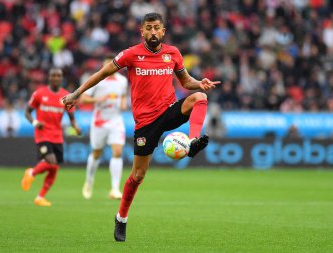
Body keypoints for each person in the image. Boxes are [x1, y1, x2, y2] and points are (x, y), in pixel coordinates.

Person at [62, 13, 220, 241]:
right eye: (149, 28)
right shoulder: (131, 54)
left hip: (168, 110)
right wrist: (77, 93)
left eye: (157, 28)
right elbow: (102, 73)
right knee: (138, 175)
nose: (153, 32)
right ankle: (121, 219)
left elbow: (186, 82)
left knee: (200, 98)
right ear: (142, 31)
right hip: (146, 123)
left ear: (163, 31)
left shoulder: (172, 53)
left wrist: (199, 82)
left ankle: (193, 141)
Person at [21, 68, 81, 207]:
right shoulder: (39, 94)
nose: (56, 78)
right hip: (42, 134)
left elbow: (71, 117)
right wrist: (35, 123)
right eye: (53, 75)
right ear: (49, 77)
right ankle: (32, 172)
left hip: (57, 136)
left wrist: (75, 127)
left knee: (54, 167)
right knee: (51, 162)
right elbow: (27, 112)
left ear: (61, 78)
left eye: (58, 76)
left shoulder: (66, 96)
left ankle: (40, 197)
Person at [80, 55, 128, 200]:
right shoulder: (97, 80)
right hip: (99, 121)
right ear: (104, 64)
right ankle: (89, 181)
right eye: (107, 63)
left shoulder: (122, 81)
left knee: (118, 152)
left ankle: (114, 189)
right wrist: (96, 99)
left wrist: (124, 103)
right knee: (96, 153)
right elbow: (83, 99)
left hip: (116, 120)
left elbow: (124, 95)